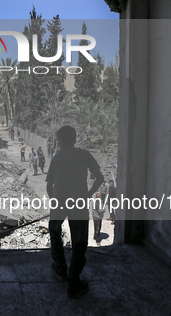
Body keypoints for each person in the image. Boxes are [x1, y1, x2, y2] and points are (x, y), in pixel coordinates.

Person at [46, 125, 103, 298]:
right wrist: (87, 195)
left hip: (59, 202)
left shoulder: (56, 158)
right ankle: (73, 282)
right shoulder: (84, 155)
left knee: (54, 231)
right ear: (75, 138)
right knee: (79, 242)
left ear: (60, 141)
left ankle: (61, 268)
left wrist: (54, 200)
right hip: (78, 202)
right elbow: (99, 178)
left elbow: (49, 185)